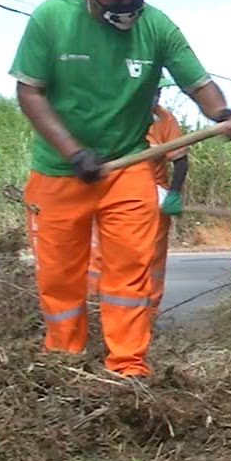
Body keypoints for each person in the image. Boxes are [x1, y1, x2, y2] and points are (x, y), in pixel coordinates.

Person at [12, 0, 231, 378]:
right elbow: (29, 92)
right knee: (60, 277)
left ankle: (127, 366)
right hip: (59, 171)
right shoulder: (52, 18)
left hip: (128, 165)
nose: (128, 2)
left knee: (130, 272)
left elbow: (197, 83)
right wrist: (73, 152)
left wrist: (221, 114)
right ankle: (65, 362)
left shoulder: (156, 26)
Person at [87, 75, 189, 316]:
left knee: (152, 258)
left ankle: (147, 314)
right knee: (103, 254)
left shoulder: (164, 119)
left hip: (154, 195)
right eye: (152, 91)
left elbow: (180, 160)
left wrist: (173, 194)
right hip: (115, 192)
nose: (157, 96)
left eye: (159, 92)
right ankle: (94, 309)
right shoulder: (113, 113)